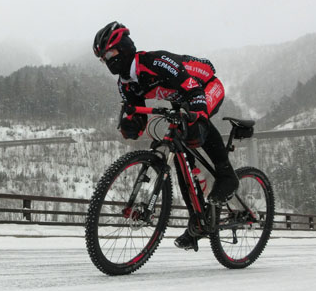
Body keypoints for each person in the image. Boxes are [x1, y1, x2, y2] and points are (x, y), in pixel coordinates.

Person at [93, 21, 239, 251]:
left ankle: (227, 175)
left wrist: (197, 113)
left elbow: (192, 89)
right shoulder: (125, 84)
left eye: (109, 53)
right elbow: (136, 114)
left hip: (205, 85)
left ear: (123, 46)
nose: (107, 60)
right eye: (103, 58)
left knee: (197, 124)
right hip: (180, 97)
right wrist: (130, 124)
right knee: (180, 154)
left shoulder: (156, 62)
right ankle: (198, 220)